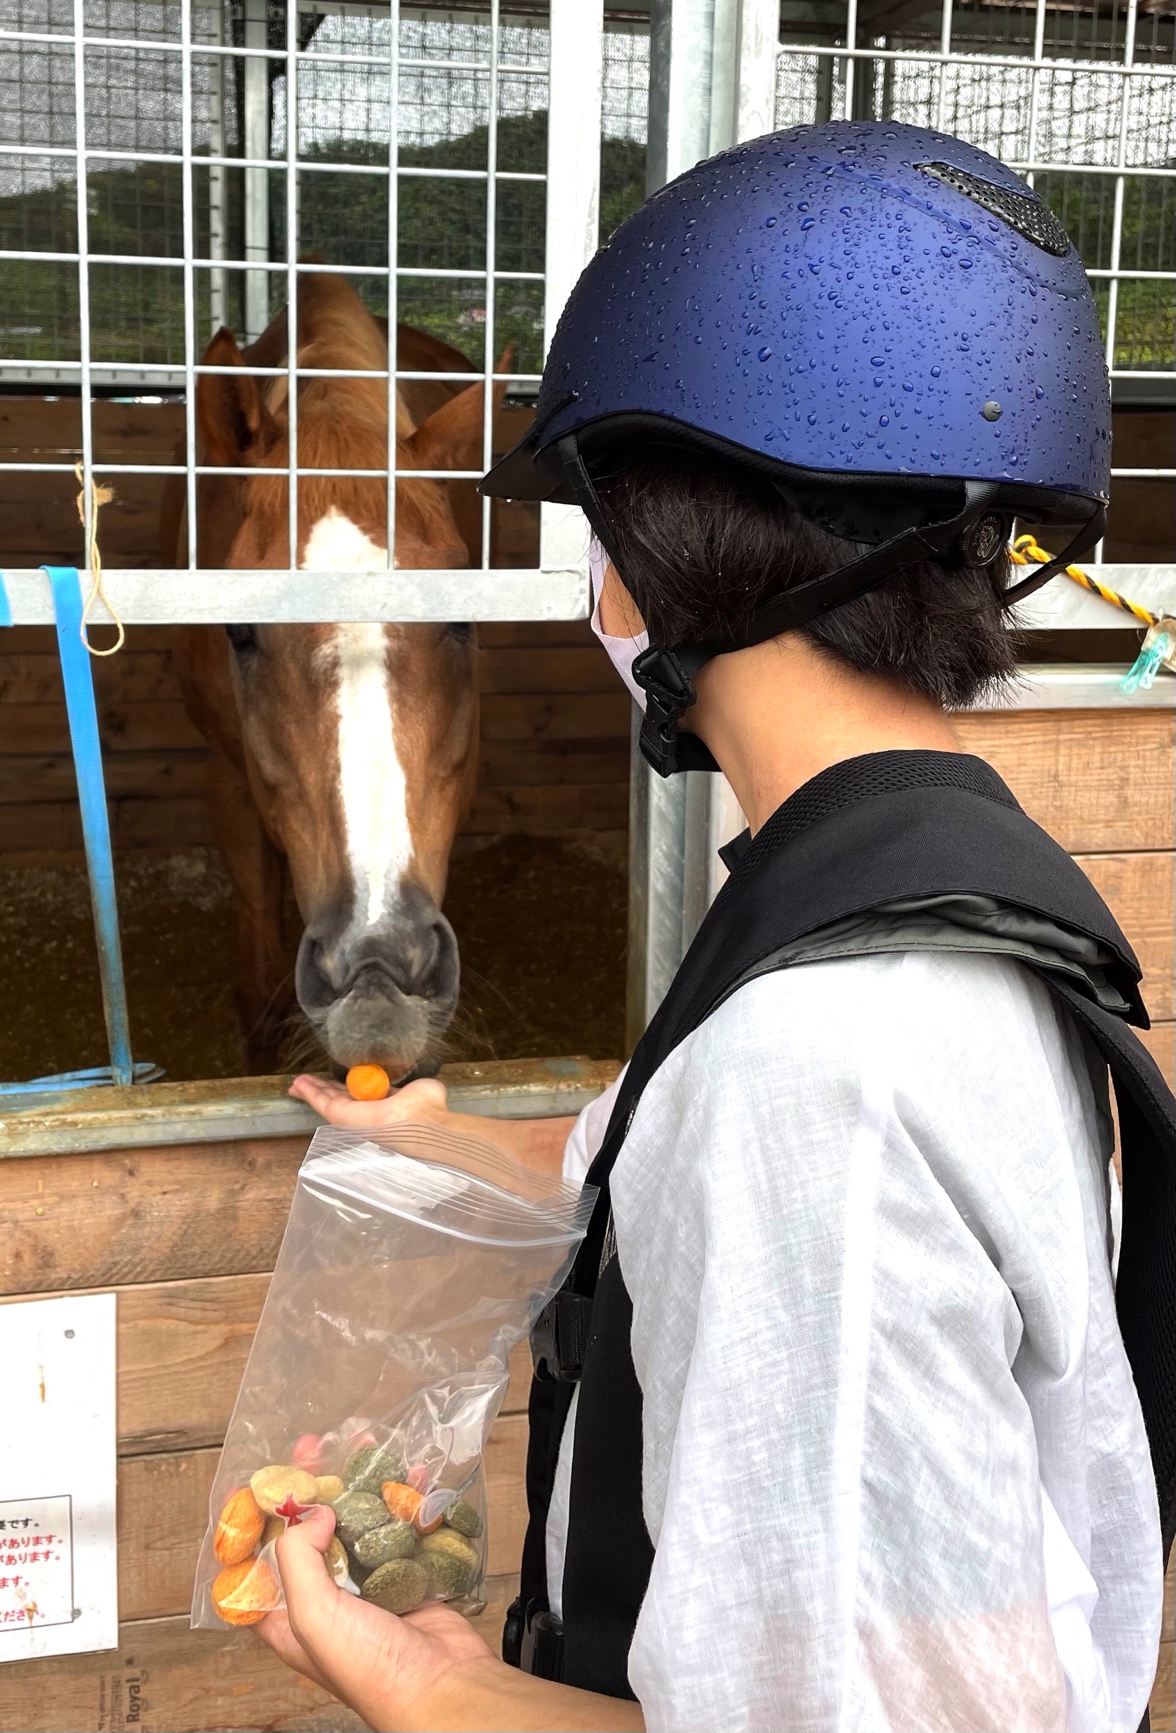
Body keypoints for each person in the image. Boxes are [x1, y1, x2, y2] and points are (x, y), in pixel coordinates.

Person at [256, 120, 1172, 1733]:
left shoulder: (819, 1079)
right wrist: (438, 1139)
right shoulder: (919, 888)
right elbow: (639, 1162)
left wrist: (420, 1687)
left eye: (599, 526)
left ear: (659, 561)